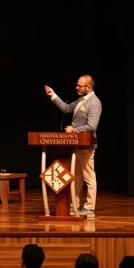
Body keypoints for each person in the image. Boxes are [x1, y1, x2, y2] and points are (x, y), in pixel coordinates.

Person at [45, 74, 102, 217]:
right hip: (77, 146)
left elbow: (92, 126)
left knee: (89, 177)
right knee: (76, 178)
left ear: (88, 87)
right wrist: (53, 95)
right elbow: (66, 108)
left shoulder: (94, 103)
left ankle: (89, 207)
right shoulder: (82, 100)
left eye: (79, 85)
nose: (76, 87)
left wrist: (73, 130)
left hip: (87, 146)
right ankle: (75, 206)